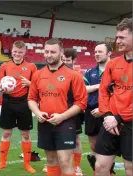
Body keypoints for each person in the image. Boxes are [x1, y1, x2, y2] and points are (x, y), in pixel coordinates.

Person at [28, 38, 88, 176]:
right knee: (51, 161)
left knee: (65, 160)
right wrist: (38, 113)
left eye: (53, 52)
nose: (49, 55)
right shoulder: (38, 75)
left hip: (66, 124)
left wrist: (62, 116)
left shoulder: (74, 76)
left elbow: (81, 103)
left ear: (61, 52)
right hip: (45, 123)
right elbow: (31, 99)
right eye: (47, 51)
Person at [95, 18, 132, 176]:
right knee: (101, 167)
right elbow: (103, 91)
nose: (118, 41)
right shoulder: (112, 64)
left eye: (122, 37)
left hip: (129, 124)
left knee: (130, 169)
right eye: (117, 37)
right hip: (110, 122)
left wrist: (119, 117)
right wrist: (109, 116)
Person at [0, 41, 37, 174]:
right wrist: (0, 87)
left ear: (24, 52)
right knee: (6, 133)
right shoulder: (4, 66)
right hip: (8, 102)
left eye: (20, 52)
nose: (17, 54)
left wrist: (30, 83)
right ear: (12, 51)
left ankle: (27, 164)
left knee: (25, 134)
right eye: (15, 52)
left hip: (24, 103)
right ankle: (2, 162)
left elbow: (37, 85)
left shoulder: (31, 67)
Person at [82, 42, 115, 175]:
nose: (96, 54)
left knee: (110, 144)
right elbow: (83, 89)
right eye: (95, 52)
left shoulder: (116, 70)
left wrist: (103, 109)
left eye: (100, 52)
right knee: (93, 143)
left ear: (109, 53)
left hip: (110, 113)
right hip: (91, 112)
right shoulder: (90, 72)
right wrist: (99, 86)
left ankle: (109, 171)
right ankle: (98, 170)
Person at [62, 48, 84, 176]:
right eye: (63, 60)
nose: (65, 62)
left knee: (75, 139)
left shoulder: (78, 75)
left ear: (74, 60)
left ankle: (76, 167)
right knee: (57, 138)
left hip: (73, 110)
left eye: (68, 60)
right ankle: (56, 163)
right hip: (57, 109)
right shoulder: (57, 72)